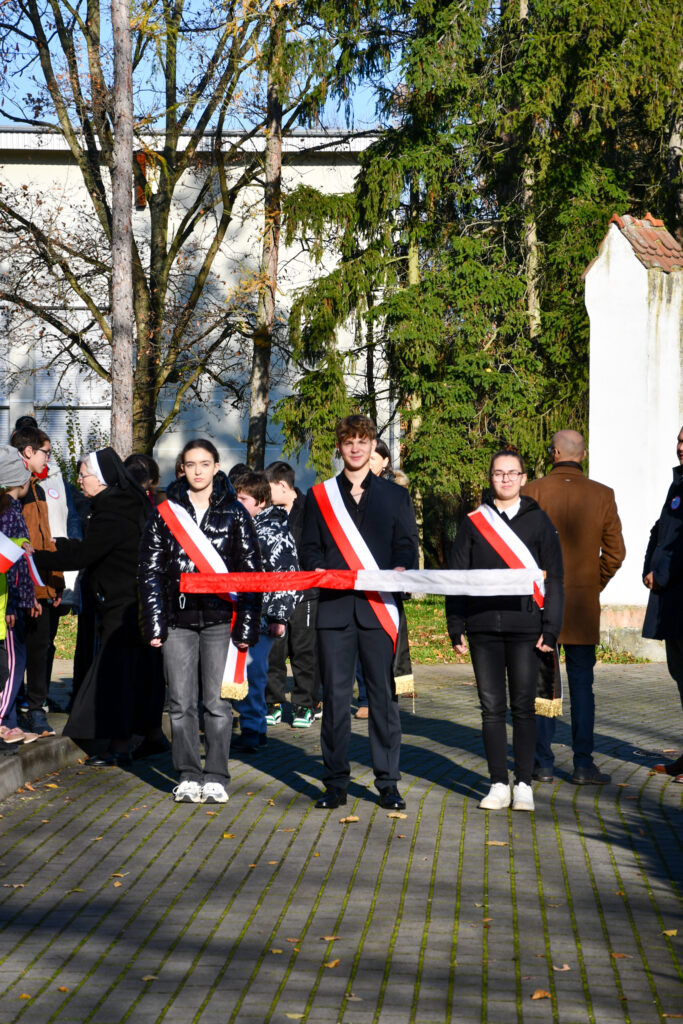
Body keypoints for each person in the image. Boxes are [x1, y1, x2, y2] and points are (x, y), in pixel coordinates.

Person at [301, 414, 419, 811]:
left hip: (378, 609)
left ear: (373, 448)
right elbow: (309, 550)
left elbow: (406, 546)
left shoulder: (395, 497)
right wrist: (317, 569)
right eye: (348, 441)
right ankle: (335, 782)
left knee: (383, 700)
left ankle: (388, 782)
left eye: (363, 441)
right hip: (334, 613)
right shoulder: (319, 497)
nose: (355, 448)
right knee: (335, 700)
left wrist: (403, 569)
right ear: (340, 447)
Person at [139, 439, 263, 803]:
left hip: (221, 619)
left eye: (204, 464)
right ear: (182, 467)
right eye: (190, 464)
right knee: (180, 703)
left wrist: (246, 628)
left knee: (217, 703)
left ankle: (216, 775)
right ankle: (189, 774)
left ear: (216, 467)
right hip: (178, 619)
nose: (197, 471)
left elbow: (251, 572)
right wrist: (155, 623)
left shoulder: (235, 512)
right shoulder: (166, 511)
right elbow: (150, 570)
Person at [446, 449, 564, 812]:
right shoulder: (473, 522)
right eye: (499, 473)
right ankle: (498, 782)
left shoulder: (540, 522)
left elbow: (556, 579)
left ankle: (524, 783)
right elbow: (457, 578)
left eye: (512, 473)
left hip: (527, 627)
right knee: (491, 709)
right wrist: (455, 624)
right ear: (490, 478)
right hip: (483, 627)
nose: (506, 479)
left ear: (523, 478)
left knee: (523, 708)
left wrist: (552, 627)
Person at [33, 447, 152, 765]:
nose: (80, 480)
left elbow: (85, 557)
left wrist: (35, 556)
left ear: (100, 479)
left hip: (121, 604)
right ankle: (135, 739)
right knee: (125, 675)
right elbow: (96, 549)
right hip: (127, 601)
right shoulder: (118, 505)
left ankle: (119, 748)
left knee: (116, 677)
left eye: (84, 475)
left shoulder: (112, 512)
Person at [524, 430, 625, 785]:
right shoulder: (602, 495)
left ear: (554, 453)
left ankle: (543, 763)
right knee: (582, 685)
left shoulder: (532, 492)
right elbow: (616, 554)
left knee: (544, 682)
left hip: (540, 605)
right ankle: (583, 764)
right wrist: (591, 585)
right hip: (582, 606)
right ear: (583, 455)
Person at [232, 471, 300, 750]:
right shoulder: (247, 526)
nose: (238, 502)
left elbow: (287, 577)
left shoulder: (273, 533)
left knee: (253, 672)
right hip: (244, 613)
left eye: (243, 498)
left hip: (262, 617)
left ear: (261, 501)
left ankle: (252, 729)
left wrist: (278, 616)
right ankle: (254, 727)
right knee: (250, 673)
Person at [10, 426, 64, 737]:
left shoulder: (38, 489)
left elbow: (45, 539)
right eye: (45, 452)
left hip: (40, 582)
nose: (47, 458)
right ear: (29, 452)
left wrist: (56, 579)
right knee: (17, 650)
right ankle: (14, 707)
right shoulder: (12, 489)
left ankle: (35, 706)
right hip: (19, 583)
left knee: (40, 647)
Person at [355, 439, 415, 717]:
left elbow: (407, 539)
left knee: (385, 640)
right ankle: (366, 697)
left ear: (386, 461)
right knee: (358, 644)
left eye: (374, 459)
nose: (368, 464)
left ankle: (383, 695)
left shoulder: (396, 494)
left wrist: (403, 577)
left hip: (386, 579)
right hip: (358, 581)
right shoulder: (349, 492)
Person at [264, 460, 321, 728]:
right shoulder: (269, 513)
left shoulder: (311, 509)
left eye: (269, 487)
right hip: (275, 594)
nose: (265, 494)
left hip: (305, 593)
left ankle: (303, 705)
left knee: (303, 650)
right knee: (274, 650)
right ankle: (272, 702)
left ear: (282, 485)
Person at [642, 425, 683, 782]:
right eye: (680, 441)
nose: (681, 448)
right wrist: (647, 568)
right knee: (680, 676)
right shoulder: (678, 484)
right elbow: (660, 531)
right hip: (673, 603)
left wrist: (664, 574)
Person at [0, 446, 39, 746]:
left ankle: (8, 721)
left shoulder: (13, 511)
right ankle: (4, 719)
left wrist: (31, 597)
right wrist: (14, 602)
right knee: (12, 664)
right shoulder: (6, 513)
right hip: (8, 605)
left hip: (16, 601)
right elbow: (8, 564)